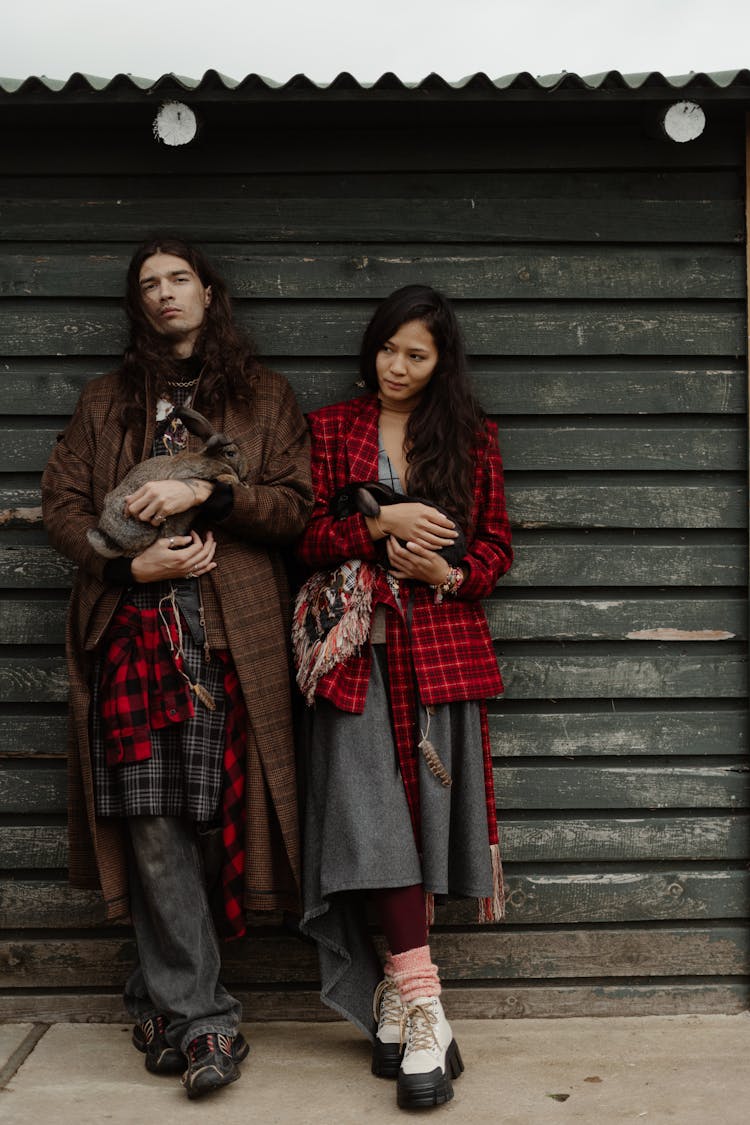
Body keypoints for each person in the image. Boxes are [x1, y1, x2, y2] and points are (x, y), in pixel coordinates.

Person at [41, 237, 312, 1098]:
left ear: (208, 291)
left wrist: (211, 493)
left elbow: (297, 509)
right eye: (149, 285)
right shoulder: (105, 400)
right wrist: (130, 568)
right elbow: (63, 508)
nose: (164, 295)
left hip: (234, 638)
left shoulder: (265, 398)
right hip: (132, 630)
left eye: (178, 280)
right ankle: (207, 1022)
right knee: (154, 820)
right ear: (139, 305)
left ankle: (151, 992)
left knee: (209, 826)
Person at [292, 285, 513, 1110]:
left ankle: (402, 999)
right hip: (354, 657)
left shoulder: (470, 436)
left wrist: (449, 573)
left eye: (416, 354)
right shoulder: (332, 427)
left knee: (420, 825)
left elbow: (496, 544)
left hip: (442, 653)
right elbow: (305, 536)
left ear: (439, 362)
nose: (397, 365)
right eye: (388, 348)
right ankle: (425, 1003)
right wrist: (379, 528)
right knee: (374, 823)